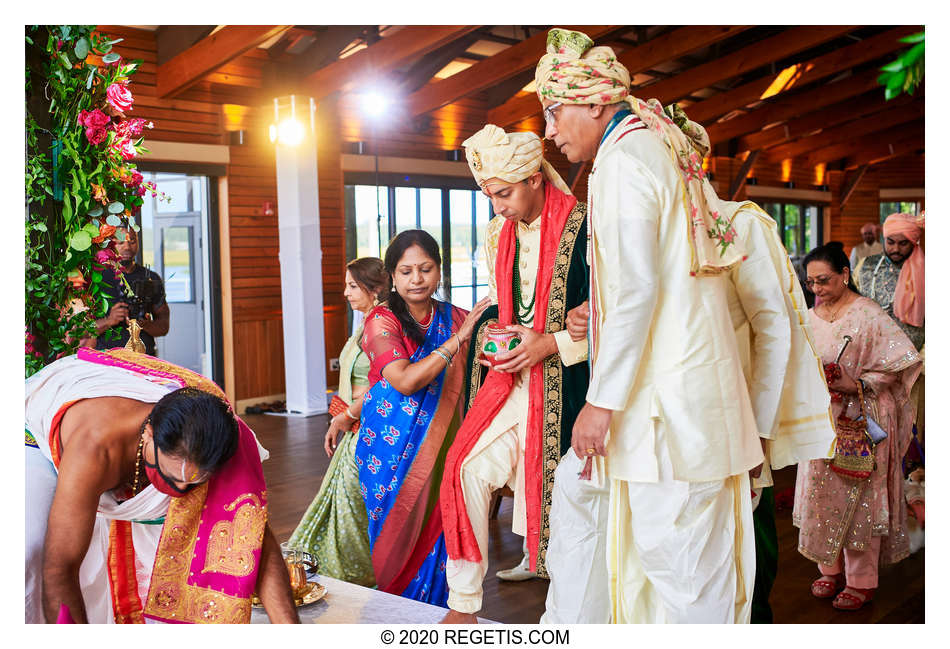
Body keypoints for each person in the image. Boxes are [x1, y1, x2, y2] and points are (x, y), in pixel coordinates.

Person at [534, 28, 763, 623]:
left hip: (671, 419)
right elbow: (652, 279)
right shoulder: (650, 147)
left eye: (554, 113)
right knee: (675, 570)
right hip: (684, 406)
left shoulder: (625, 160)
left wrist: (600, 403)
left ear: (592, 102)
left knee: (680, 572)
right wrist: (599, 313)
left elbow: (637, 290)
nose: (551, 132)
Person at [437, 125, 591, 623]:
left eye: (503, 194)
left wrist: (550, 342)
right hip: (511, 384)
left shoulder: (585, 228)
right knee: (465, 470)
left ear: (533, 178)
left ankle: (570, 620)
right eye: (489, 196)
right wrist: (492, 336)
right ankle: (463, 607)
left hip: (570, 388)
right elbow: (502, 309)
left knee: (576, 513)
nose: (497, 207)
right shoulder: (498, 233)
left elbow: (618, 319)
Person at [25, 348, 298, 623]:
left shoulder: (223, 439)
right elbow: (59, 569)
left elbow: (253, 537)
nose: (178, 491)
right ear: (149, 434)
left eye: (192, 483)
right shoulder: (94, 451)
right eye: (168, 477)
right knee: (29, 550)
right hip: (35, 429)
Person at [355, 230, 490, 606]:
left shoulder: (455, 317)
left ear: (439, 271)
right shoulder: (381, 321)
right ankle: (399, 619)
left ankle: (440, 620)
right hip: (388, 450)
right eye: (406, 271)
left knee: (441, 532)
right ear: (392, 277)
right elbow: (405, 381)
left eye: (426, 269)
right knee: (394, 545)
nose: (417, 279)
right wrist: (459, 339)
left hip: (446, 445)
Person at [794, 243, 921, 611]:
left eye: (824, 280)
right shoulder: (810, 316)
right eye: (811, 282)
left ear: (845, 274)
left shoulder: (868, 316)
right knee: (820, 495)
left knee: (860, 497)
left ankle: (861, 580)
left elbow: (902, 365)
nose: (816, 289)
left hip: (863, 420)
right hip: (821, 421)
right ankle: (828, 569)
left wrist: (859, 384)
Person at [287, 258, 389, 587]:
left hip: (370, 431)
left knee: (351, 509)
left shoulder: (382, 327)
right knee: (346, 506)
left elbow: (385, 384)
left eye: (352, 286)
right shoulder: (365, 323)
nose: (345, 293)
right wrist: (339, 419)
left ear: (374, 290)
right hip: (352, 430)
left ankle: (359, 579)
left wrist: (348, 415)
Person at [94, 226, 170, 356]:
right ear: (111, 244)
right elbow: (80, 332)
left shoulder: (151, 278)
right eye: (121, 242)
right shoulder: (97, 278)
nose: (127, 247)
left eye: (132, 241)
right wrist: (109, 320)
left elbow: (163, 326)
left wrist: (144, 324)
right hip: (107, 360)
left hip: (144, 358)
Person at [854, 212, 924, 350]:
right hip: (870, 353)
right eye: (890, 242)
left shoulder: (925, 271)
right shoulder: (866, 265)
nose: (896, 249)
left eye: (903, 243)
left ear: (913, 242)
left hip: (914, 358)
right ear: (884, 239)